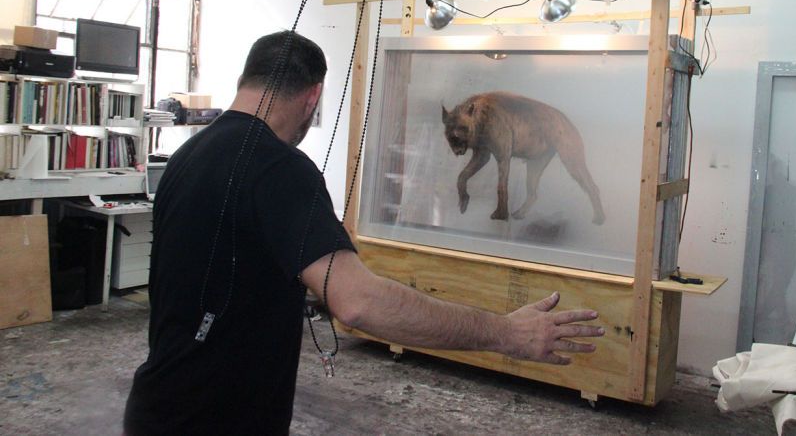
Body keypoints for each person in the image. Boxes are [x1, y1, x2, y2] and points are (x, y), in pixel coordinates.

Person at [123, 31, 604, 435]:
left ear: (244, 82)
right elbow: (359, 303)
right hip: (218, 421)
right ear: (313, 96)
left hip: (156, 406)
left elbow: (213, 263)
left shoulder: (188, 156)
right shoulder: (281, 168)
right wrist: (506, 333)